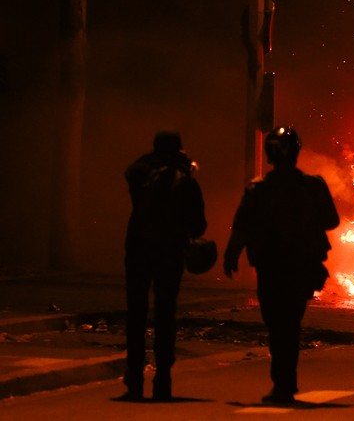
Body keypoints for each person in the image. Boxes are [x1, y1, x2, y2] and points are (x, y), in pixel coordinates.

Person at [223, 126, 340, 405]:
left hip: (271, 266)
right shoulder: (313, 186)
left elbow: (241, 227)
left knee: (278, 324)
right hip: (300, 266)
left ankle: (283, 383)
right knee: (290, 323)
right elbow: (331, 221)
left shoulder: (258, 189)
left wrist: (231, 255)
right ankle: (285, 382)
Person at [122, 131, 207, 401]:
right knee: (164, 314)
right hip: (169, 253)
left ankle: (134, 379)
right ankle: (163, 380)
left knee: (135, 314)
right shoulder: (185, 181)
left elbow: (130, 173)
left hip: (138, 250)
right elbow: (199, 224)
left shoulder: (141, 175)